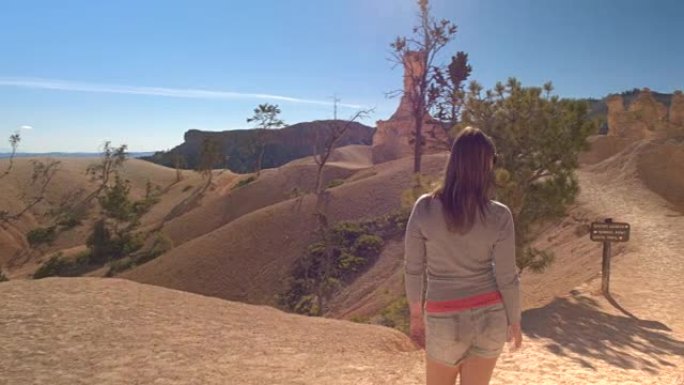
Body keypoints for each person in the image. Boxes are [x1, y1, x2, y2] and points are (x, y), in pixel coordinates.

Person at [404, 126, 522, 385]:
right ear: (486, 166)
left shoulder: (424, 208)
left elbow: (413, 268)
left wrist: (416, 317)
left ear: (454, 161)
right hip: (491, 317)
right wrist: (515, 320)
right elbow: (506, 276)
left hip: (444, 318)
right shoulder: (500, 215)